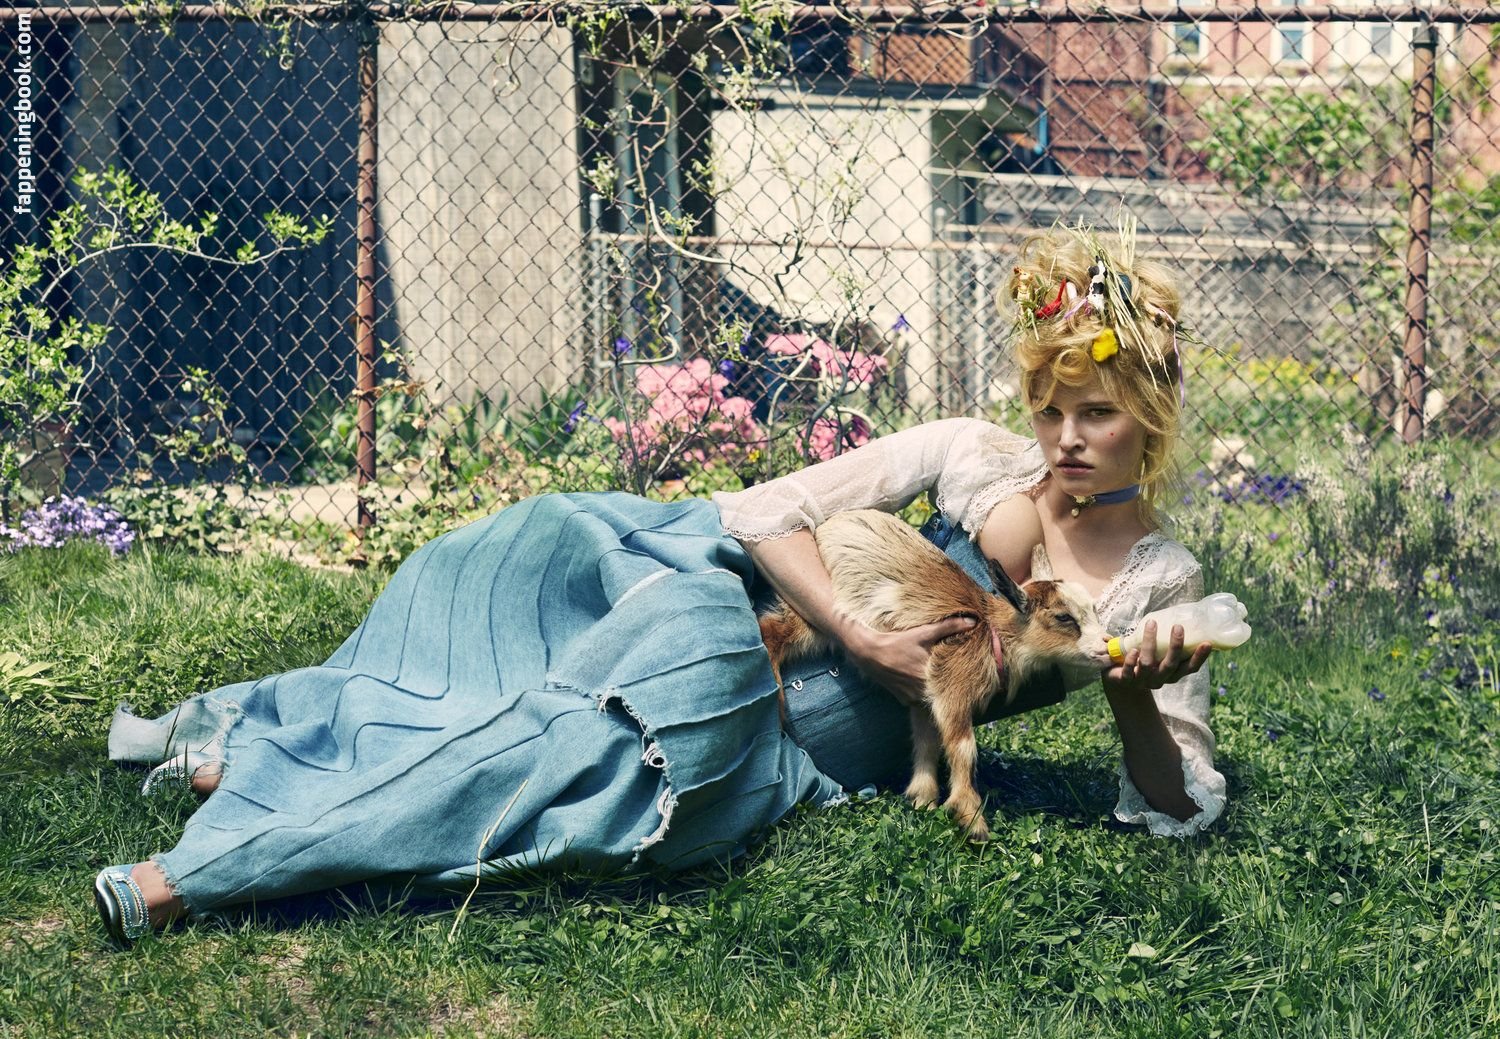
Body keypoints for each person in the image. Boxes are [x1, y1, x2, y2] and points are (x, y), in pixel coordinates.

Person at [93, 224, 1225, 946]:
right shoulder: (975, 454)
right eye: (1052, 409)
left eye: (1097, 413)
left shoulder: (1158, 582)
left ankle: (222, 849)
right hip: (741, 616)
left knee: (567, 758)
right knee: (506, 625)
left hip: (787, 743)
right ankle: (238, 775)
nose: (1066, 438)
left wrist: (1134, 695)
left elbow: (1178, 806)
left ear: (1151, 417)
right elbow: (765, 512)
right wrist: (861, 635)